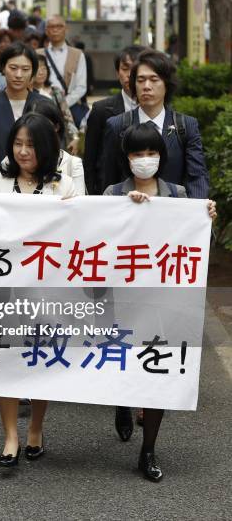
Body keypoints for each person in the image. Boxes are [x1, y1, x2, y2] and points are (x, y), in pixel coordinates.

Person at [103, 122, 216, 482]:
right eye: (138, 153)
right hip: (123, 299)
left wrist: (206, 218)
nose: (145, 160)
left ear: (161, 157)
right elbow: (94, 240)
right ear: (127, 158)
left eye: (152, 153)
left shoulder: (179, 194)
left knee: (158, 371)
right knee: (123, 363)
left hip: (165, 301)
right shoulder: (111, 193)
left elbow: (195, 244)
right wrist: (126, 209)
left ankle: (148, 450)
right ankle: (122, 403)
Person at [0, 114, 77, 468]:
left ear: (46, 147)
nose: (23, 151)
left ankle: (36, 428)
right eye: (17, 144)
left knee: (41, 360)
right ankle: (10, 437)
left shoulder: (63, 187)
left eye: (30, 145)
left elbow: (90, 225)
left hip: (49, 290)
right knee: (5, 360)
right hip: (4, 288)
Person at [102, 49, 209, 200]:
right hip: (130, 213)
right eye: (140, 80)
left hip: (173, 214)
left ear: (167, 84)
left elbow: (197, 176)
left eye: (154, 79)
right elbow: (109, 176)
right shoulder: (117, 125)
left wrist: (195, 212)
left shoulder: (186, 126)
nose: (146, 86)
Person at [0, 42, 50, 187]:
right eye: (13, 68)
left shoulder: (45, 106)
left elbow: (55, 150)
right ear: (3, 68)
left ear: (32, 72)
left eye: (25, 69)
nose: (18, 75)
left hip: (38, 186)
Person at [83, 45, 145, 196]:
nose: (130, 74)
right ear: (117, 72)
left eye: (136, 69)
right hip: (109, 193)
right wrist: (93, 195)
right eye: (125, 68)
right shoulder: (101, 110)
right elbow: (90, 160)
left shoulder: (161, 109)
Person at [37, 15, 88, 127]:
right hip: (41, 106)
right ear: (46, 31)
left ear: (66, 29)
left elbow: (81, 87)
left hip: (70, 106)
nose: (55, 29)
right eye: (51, 26)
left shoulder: (77, 54)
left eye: (59, 26)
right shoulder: (37, 54)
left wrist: (63, 104)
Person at [30, 99, 85, 194]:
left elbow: (78, 204)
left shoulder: (72, 164)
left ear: (56, 127)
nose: (37, 131)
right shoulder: (12, 161)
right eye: (32, 125)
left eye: (43, 125)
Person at [33, 53, 79, 154]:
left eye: (44, 68)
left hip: (56, 138)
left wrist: (75, 137)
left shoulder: (55, 91)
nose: (41, 72)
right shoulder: (27, 93)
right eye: (37, 68)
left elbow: (67, 116)